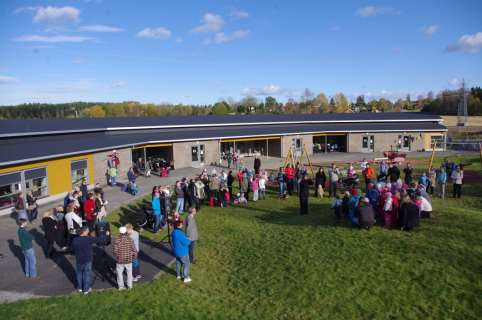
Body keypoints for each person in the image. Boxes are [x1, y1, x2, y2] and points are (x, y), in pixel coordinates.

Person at [71, 226, 105, 294]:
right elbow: (100, 239)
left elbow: (72, 249)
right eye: (87, 231)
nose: (88, 232)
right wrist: (105, 234)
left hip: (79, 259)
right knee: (87, 274)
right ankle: (86, 289)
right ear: (84, 231)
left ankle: (80, 288)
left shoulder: (75, 240)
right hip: (87, 260)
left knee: (79, 274)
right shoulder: (88, 239)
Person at [113, 226, 137, 290]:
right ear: (126, 232)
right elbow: (134, 249)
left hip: (120, 260)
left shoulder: (117, 240)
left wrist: (117, 256)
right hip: (129, 259)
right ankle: (130, 286)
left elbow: (115, 251)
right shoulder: (130, 239)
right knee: (129, 273)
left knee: (119, 273)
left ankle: (121, 286)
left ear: (120, 232)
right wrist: (134, 256)